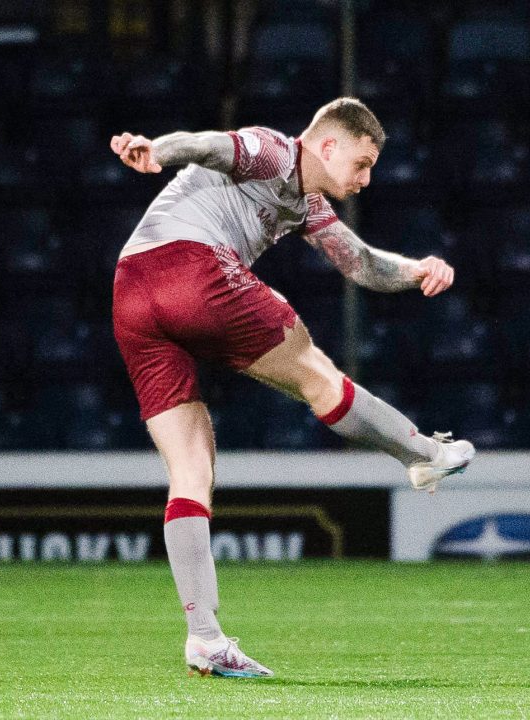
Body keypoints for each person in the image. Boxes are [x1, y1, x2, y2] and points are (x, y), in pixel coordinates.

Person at [110, 97, 476, 677]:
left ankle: (204, 637)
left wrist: (416, 269)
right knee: (317, 374)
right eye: (362, 163)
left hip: (132, 292)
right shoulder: (274, 149)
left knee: (190, 470)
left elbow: (357, 263)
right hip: (190, 270)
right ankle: (425, 454)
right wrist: (159, 150)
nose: (366, 179)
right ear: (327, 145)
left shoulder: (306, 205)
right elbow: (206, 143)